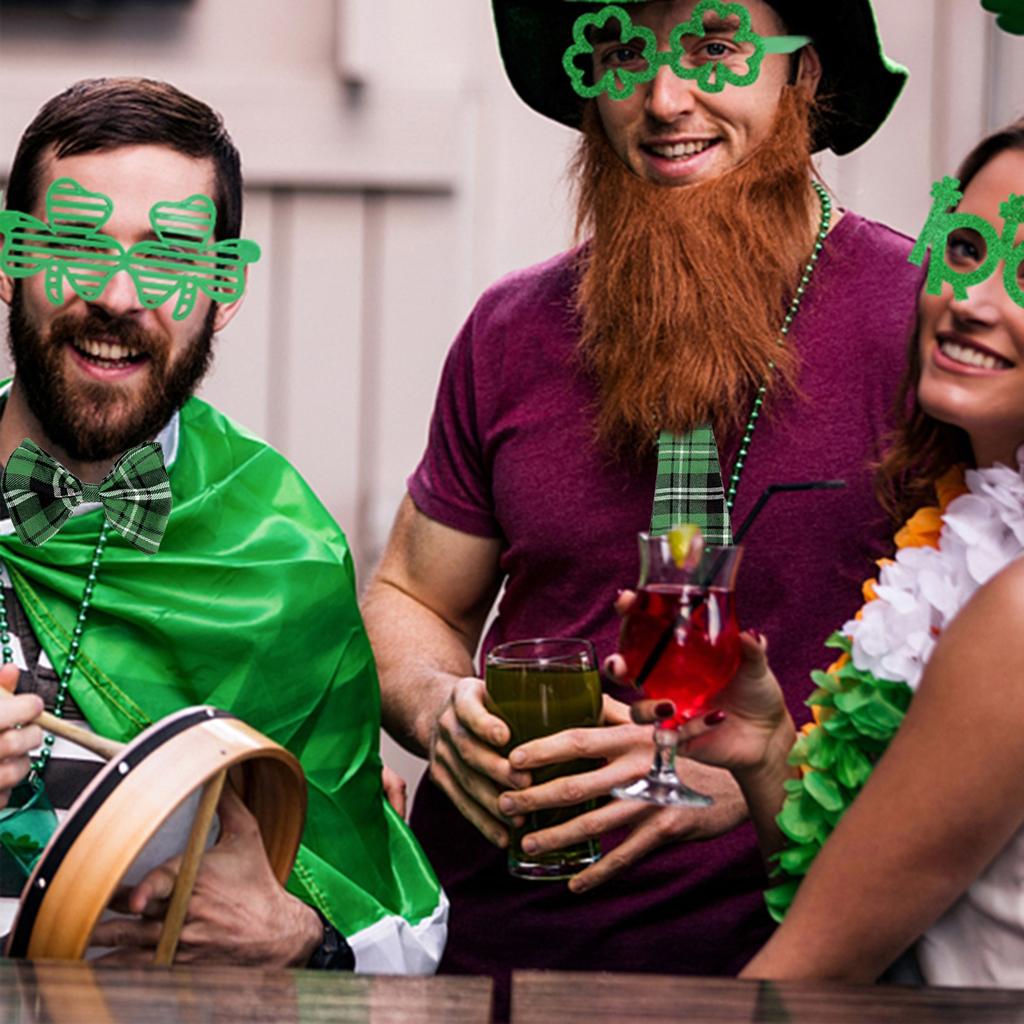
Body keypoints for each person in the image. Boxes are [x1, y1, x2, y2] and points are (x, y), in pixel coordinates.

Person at [363, 0, 921, 987]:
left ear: (802, 73)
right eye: (623, 53)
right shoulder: (510, 330)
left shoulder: (917, 324)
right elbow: (409, 594)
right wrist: (442, 704)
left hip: (783, 965)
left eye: (714, 49)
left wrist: (752, 782)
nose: (664, 100)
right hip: (487, 955)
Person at [0, 77, 446, 972]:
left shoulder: (281, 551)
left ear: (222, 290)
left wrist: (298, 937)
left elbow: (402, 931)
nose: (119, 295)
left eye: (168, 258)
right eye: (77, 247)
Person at [624, 119, 1024, 987]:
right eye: (965, 247)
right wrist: (772, 754)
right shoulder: (967, 538)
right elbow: (864, 888)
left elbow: (808, 972)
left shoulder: (1018, 616)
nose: (974, 297)